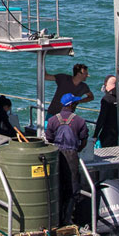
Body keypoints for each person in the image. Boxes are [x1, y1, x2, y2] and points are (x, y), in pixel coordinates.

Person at [45, 92, 90, 227]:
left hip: (56, 155)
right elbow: (84, 141)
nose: (76, 105)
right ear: (71, 105)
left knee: (57, 185)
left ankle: (56, 218)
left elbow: (49, 138)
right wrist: (77, 150)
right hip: (72, 155)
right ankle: (68, 219)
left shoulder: (52, 120)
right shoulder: (80, 121)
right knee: (73, 187)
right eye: (75, 103)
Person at [94, 74, 119, 148]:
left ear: (105, 84)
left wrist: (95, 135)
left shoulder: (106, 99)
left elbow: (102, 118)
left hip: (108, 133)